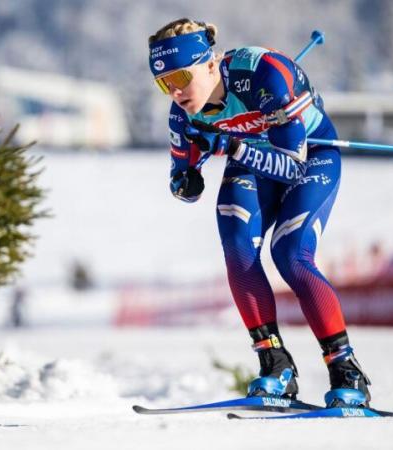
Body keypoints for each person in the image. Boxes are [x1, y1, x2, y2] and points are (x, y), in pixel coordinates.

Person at [148, 18, 371, 407]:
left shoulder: (265, 74)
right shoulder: (181, 115)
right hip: (252, 159)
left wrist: (231, 146)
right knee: (237, 244)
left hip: (310, 156)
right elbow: (181, 182)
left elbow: (292, 168)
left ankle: (345, 369)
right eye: (164, 82)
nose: (176, 90)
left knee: (290, 253)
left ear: (211, 63)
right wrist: (188, 181)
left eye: (182, 76)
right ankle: (274, 364)